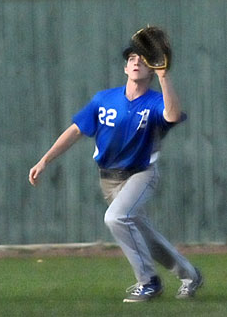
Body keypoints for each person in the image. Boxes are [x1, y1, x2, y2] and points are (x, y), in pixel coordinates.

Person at [29, 26, 203, 303]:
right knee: (144, 235)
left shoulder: (156, 101)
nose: (136, 62)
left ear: (151, 68)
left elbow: (171, 115)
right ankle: (190, 275)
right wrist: (45, 159)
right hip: (108, 179)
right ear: (125, 68)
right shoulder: (104, 99)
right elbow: (75, 130)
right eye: (132, 58)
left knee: (115, 218)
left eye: (143, 59)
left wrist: (164, 75)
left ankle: (149, 282)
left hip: (141, 174)